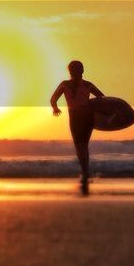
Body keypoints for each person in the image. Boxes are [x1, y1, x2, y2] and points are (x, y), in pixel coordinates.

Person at [50, 60, 104, 193]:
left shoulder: (65, 84)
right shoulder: (88, 85)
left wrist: (55, 108)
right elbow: (101, 98)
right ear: (82, 71)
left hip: (75, 118)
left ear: (69, 71)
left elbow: (53, 99)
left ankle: (85, 172)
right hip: (87, 117)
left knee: (80, 146)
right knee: (84, 145)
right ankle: (86, 172)